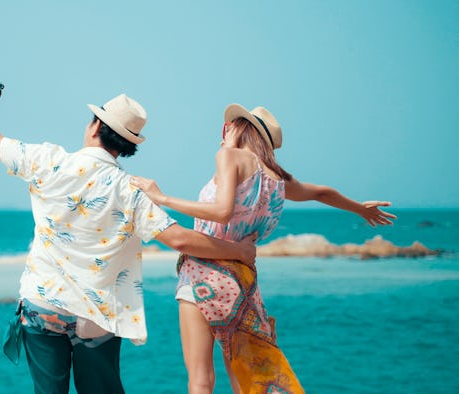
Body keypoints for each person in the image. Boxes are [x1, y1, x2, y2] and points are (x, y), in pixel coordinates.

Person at [0, 80, 259, 394]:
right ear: (127, 147)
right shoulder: (129, 189)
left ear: (94, 127)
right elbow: (180, 239)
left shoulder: (48, 160)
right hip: (97, 315)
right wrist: (238, 251)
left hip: (42, 302)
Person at [130, 103, 396, 394]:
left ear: (238, 129)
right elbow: (321, 192)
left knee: (200, 380)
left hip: (202, 274)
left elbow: (221, 211)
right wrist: (359, 209)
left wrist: (162, 197)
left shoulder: (229, 155)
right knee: (247, 381)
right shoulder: (277, 179)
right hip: (242, 282)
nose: (224, 131)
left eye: (229, 125)